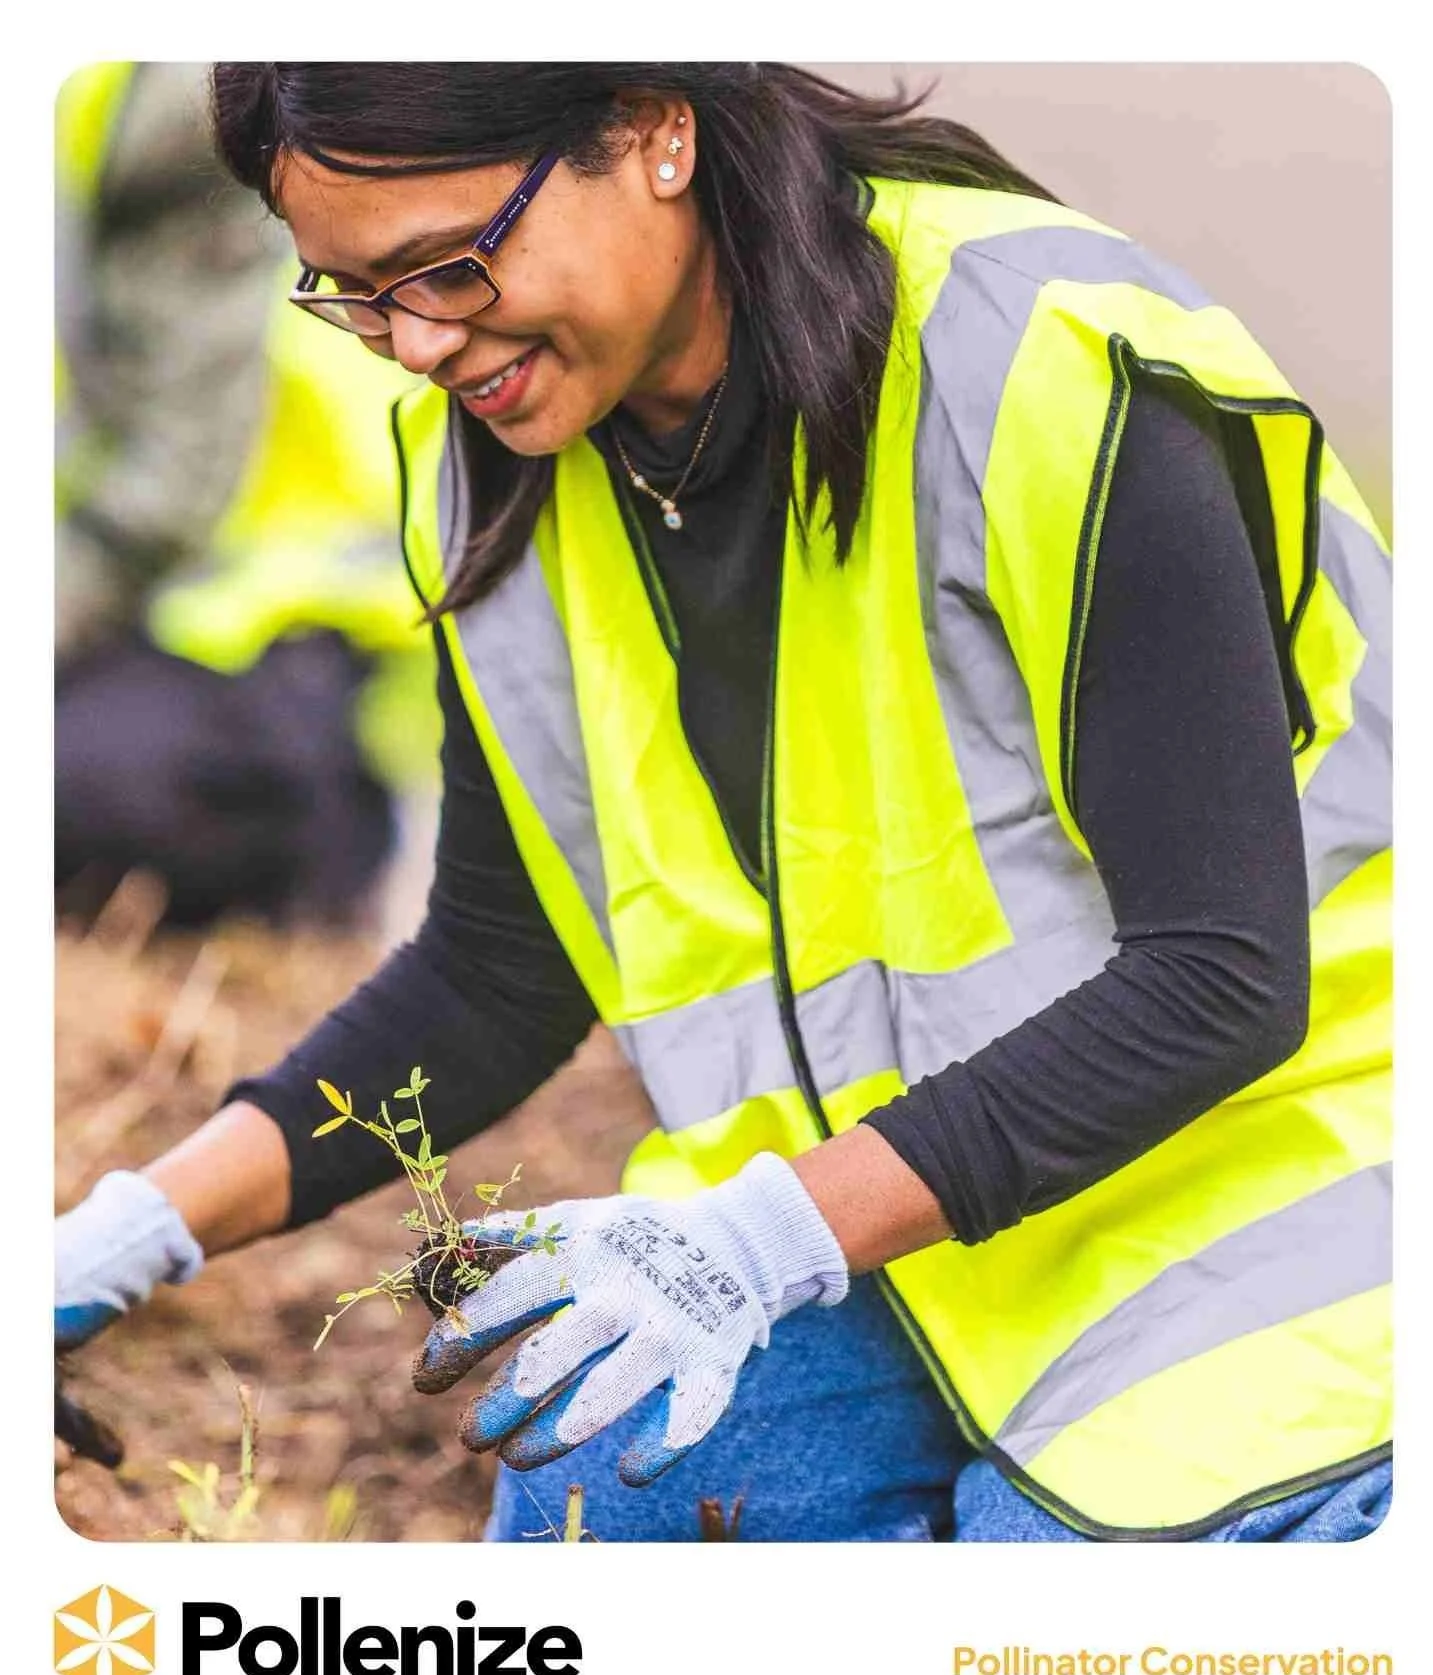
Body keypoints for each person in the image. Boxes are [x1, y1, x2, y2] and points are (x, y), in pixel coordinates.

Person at [55, 63, 1391, 1543]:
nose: (421, 342)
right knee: (601, 1475)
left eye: (448, 267)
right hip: (920, 1240)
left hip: (1277, 1224)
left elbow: (1223, 978)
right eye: (359, 298)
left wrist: (760, 1242)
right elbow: (499, 969)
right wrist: (121, 1239)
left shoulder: (1046, 365)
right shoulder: (515, 459)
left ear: (651, 129)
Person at [55, 61, 433, 928]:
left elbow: (173, 482)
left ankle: (335, 842)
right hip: (172, 633)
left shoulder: (181, 93)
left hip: (266, 663)